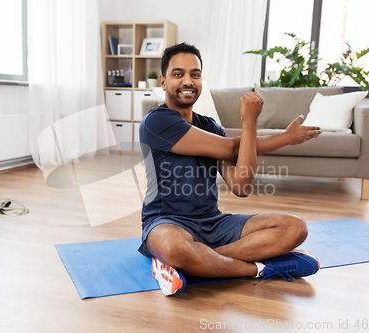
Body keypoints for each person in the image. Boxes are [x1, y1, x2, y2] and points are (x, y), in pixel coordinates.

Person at [138, 42, 322, 296]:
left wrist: (250, 123)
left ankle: (189, 264)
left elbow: (241, 186)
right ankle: (258, 268)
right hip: (166, 222)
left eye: (195, 74)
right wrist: (281, 136)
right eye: (178, 74)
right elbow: (231, 148)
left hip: (213, 223)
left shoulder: (211, 126)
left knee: (295, 227)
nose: (188, 81)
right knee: (173, 246)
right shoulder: (156, 121)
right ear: (163, 81)